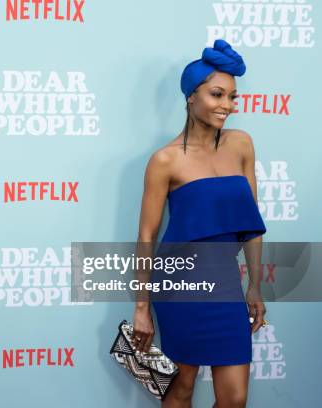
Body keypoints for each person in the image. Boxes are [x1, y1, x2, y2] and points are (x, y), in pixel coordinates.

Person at [132, 40, 267, 407]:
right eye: (217, 94)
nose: (227, 105)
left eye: (233, 97)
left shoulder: (242, 145)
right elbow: (147, 236)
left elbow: (251, 223)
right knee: (181, 388)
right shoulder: (165, 161)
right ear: (192, 96)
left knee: (235, 398)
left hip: (225, 283)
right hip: (180, 287)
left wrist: (254, 286)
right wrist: (142, 308)